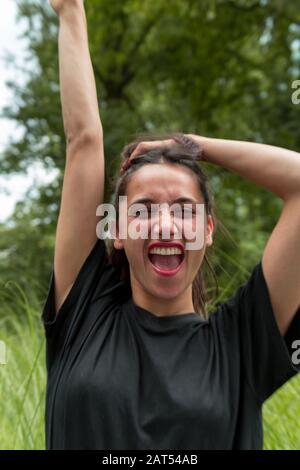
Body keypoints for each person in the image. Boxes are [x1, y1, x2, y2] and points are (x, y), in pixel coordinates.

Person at [42, 0, 300, 450]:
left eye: (184, 209)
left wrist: (194, 145)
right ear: (116, 232)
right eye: (142, 210)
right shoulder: (84, 315)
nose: (165, 224)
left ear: (207, 229)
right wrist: (69, 11)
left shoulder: (240, 343)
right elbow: (84, 140)